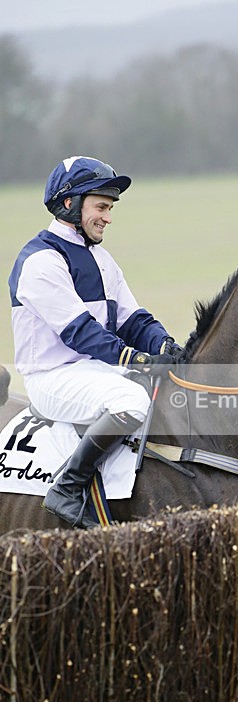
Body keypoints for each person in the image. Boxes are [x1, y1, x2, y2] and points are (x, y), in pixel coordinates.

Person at [8, 156, 182, 529]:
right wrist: (134, 359)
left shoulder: (101, 258)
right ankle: (67, 489)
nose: (108, 217)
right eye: (101, 206)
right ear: (69, 203)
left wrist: (166, 346)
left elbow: (133, 319)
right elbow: (80, 331)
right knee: (131, 400)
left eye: (110, 208)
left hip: (95, 370)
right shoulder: (40, 261)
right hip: (52, 378)